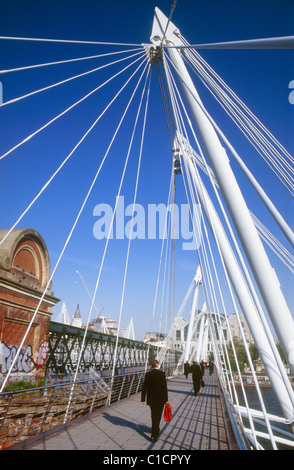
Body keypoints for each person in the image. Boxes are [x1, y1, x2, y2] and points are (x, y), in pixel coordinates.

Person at [141, 359, 168, 442]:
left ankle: (155, 430)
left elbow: (144, 387)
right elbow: (164, 388)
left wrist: (143, 399)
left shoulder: (148, 374)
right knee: (158, 416)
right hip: (160, 399)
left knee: (153, 415)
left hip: (151, 399)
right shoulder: (162, 374)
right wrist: (166, 400)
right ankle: (154, 434)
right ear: (158, 365)